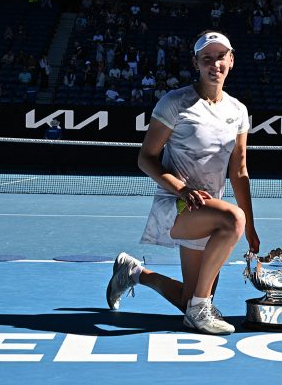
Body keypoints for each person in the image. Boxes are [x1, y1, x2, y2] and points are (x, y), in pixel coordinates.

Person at [106, 31, 260, 334]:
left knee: (192, 297)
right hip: (176, 205)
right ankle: (199, 311)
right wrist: (182, 189)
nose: (214, 63)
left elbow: (239, 171)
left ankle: (134, 272)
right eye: (207, 58)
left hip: (208, 210)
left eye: (220, 57)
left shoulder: (238, 111)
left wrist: (252, 228)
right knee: (232, 219)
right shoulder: (175, 103)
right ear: (196, 63)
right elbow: (146, 158)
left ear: (231, 59)